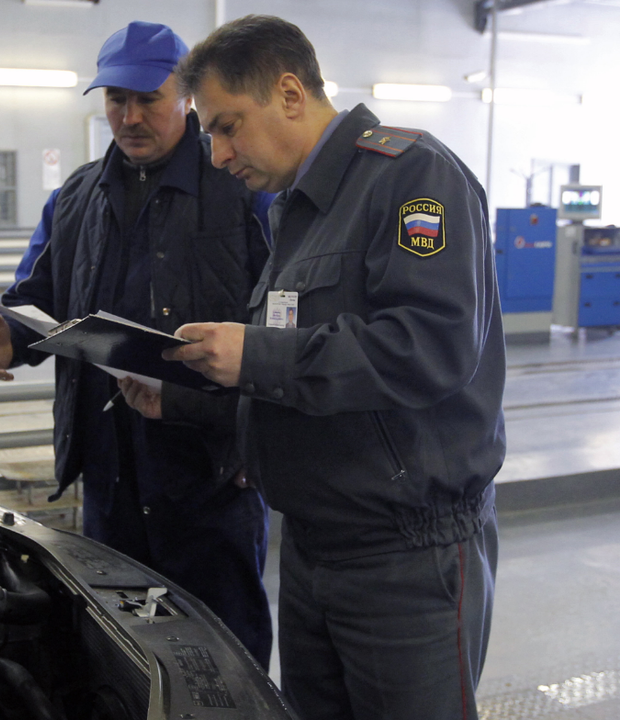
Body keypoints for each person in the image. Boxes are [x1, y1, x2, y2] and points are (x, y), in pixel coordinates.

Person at [162, 15, 504, 720]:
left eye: (227, 127)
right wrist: (181, 395)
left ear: (290, 94)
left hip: (405, 554)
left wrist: (254, 353)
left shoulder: (411, 175)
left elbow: (429, 347)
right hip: (314, 545)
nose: (218, 156)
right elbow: (304, 369)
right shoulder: (298, 209)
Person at [0, 21, 274, 667]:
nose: (130, 117)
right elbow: (36, 297)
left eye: (147, 99)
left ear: (185, 97)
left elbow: (283, 321)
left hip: (209, 474)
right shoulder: (76, 198)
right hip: (108, 470)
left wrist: (261, 435)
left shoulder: (241, 190)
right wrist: (9, 337)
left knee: (224, 653)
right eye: (115, 99)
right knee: (120, 648)